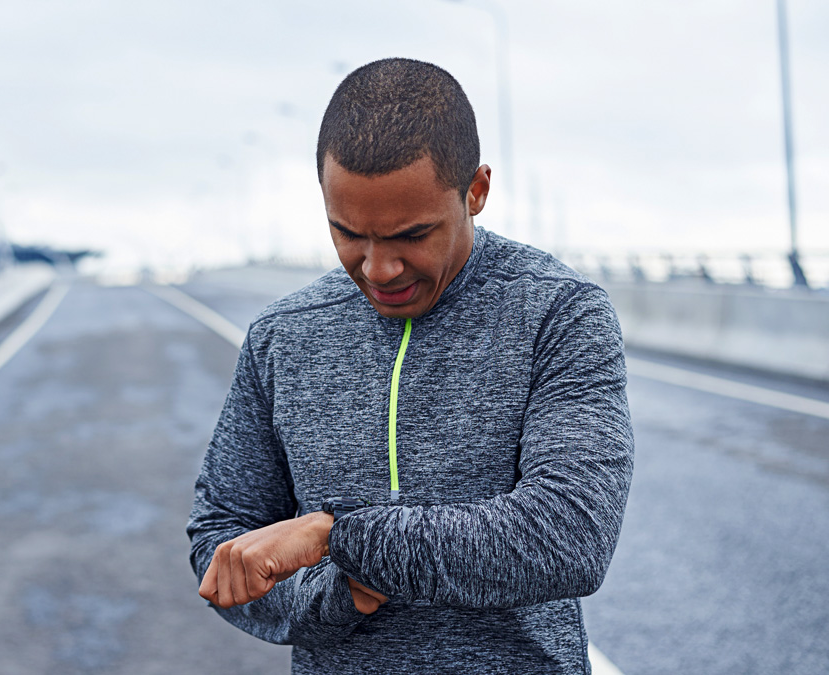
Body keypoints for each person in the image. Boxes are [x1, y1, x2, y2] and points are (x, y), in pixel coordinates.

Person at [187, 57, 634, 674]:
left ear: (476, 191)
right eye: (349, 233)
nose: (378, 269)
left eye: (411, 235)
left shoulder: (558, 313)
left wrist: (337, 537)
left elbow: (569, 537)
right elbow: (222, 540)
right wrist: (334, 595)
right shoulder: (282, 335)